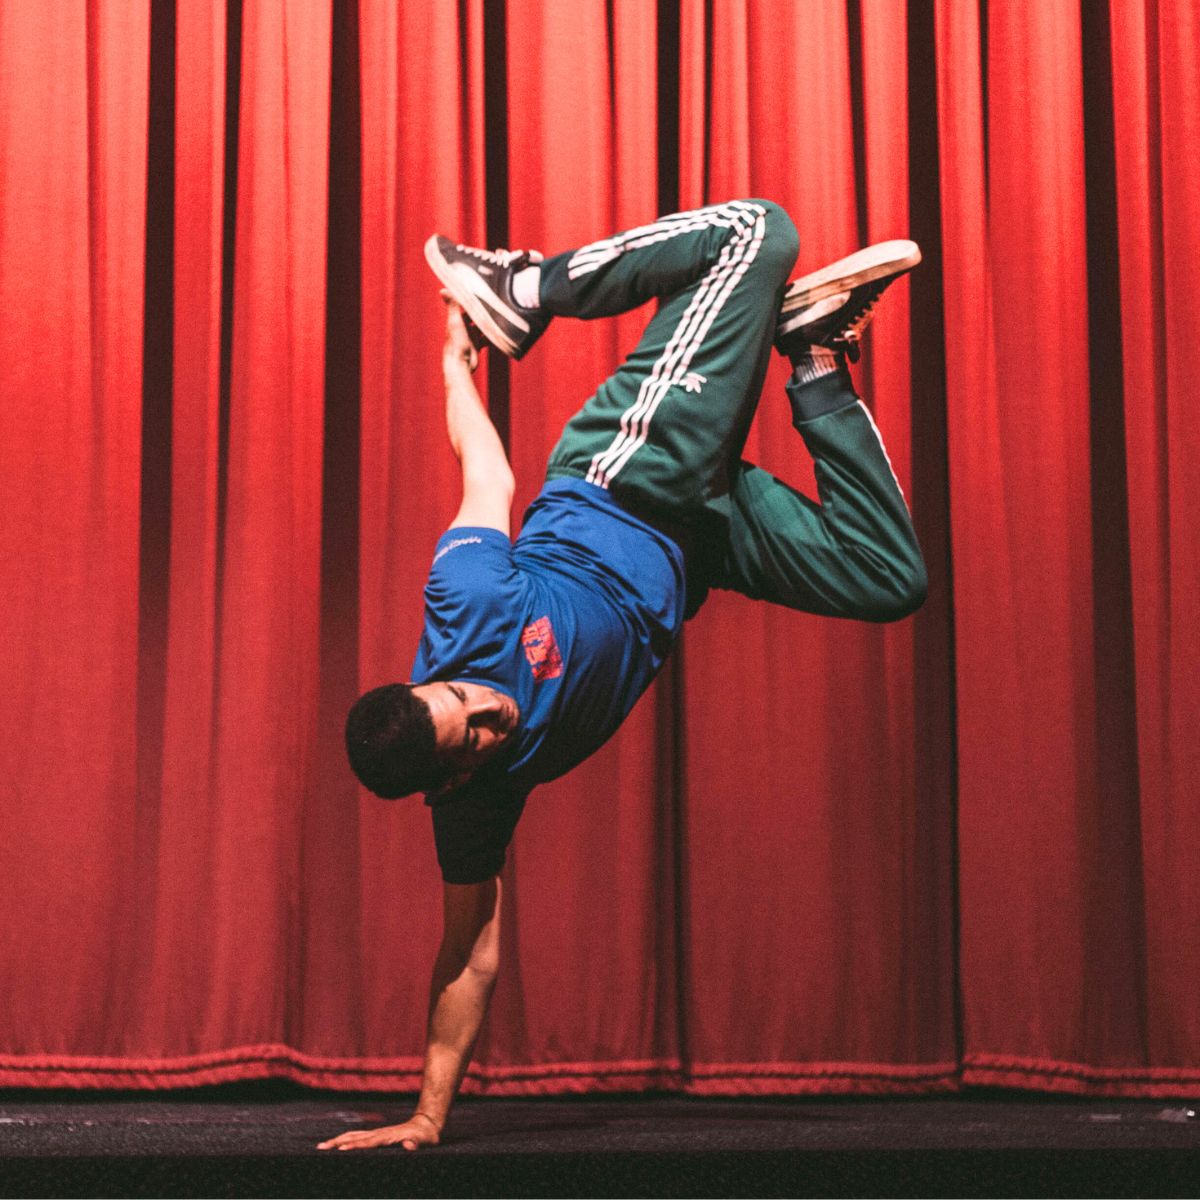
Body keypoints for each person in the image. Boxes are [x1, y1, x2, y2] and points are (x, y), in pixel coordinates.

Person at [317, 200, 926, 1152]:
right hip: (701, 541)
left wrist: (455, 364)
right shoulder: (478, 804)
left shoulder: (466, 603)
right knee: (889, 580)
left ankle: (522, 284)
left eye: (461, 697)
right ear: (452, 779)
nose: (488, 709)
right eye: (471, 734)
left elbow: (486, 474)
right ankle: (810, 354)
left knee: (753, 234)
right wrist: (429, 1116)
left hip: (624, 475)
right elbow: (467, 956)